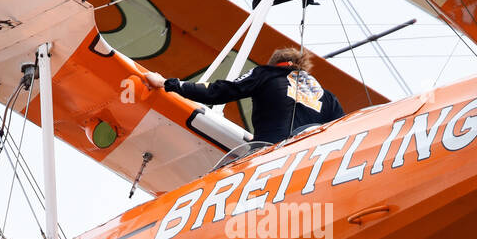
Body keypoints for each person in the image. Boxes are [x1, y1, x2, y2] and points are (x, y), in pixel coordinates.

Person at [144, 47, 345, 144]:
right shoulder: (328, 97)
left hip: (271, 155)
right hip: (308, 161)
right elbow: (343, 131)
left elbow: (219, 91)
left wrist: (168, 83)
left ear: (275, 63)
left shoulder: (267, 73)